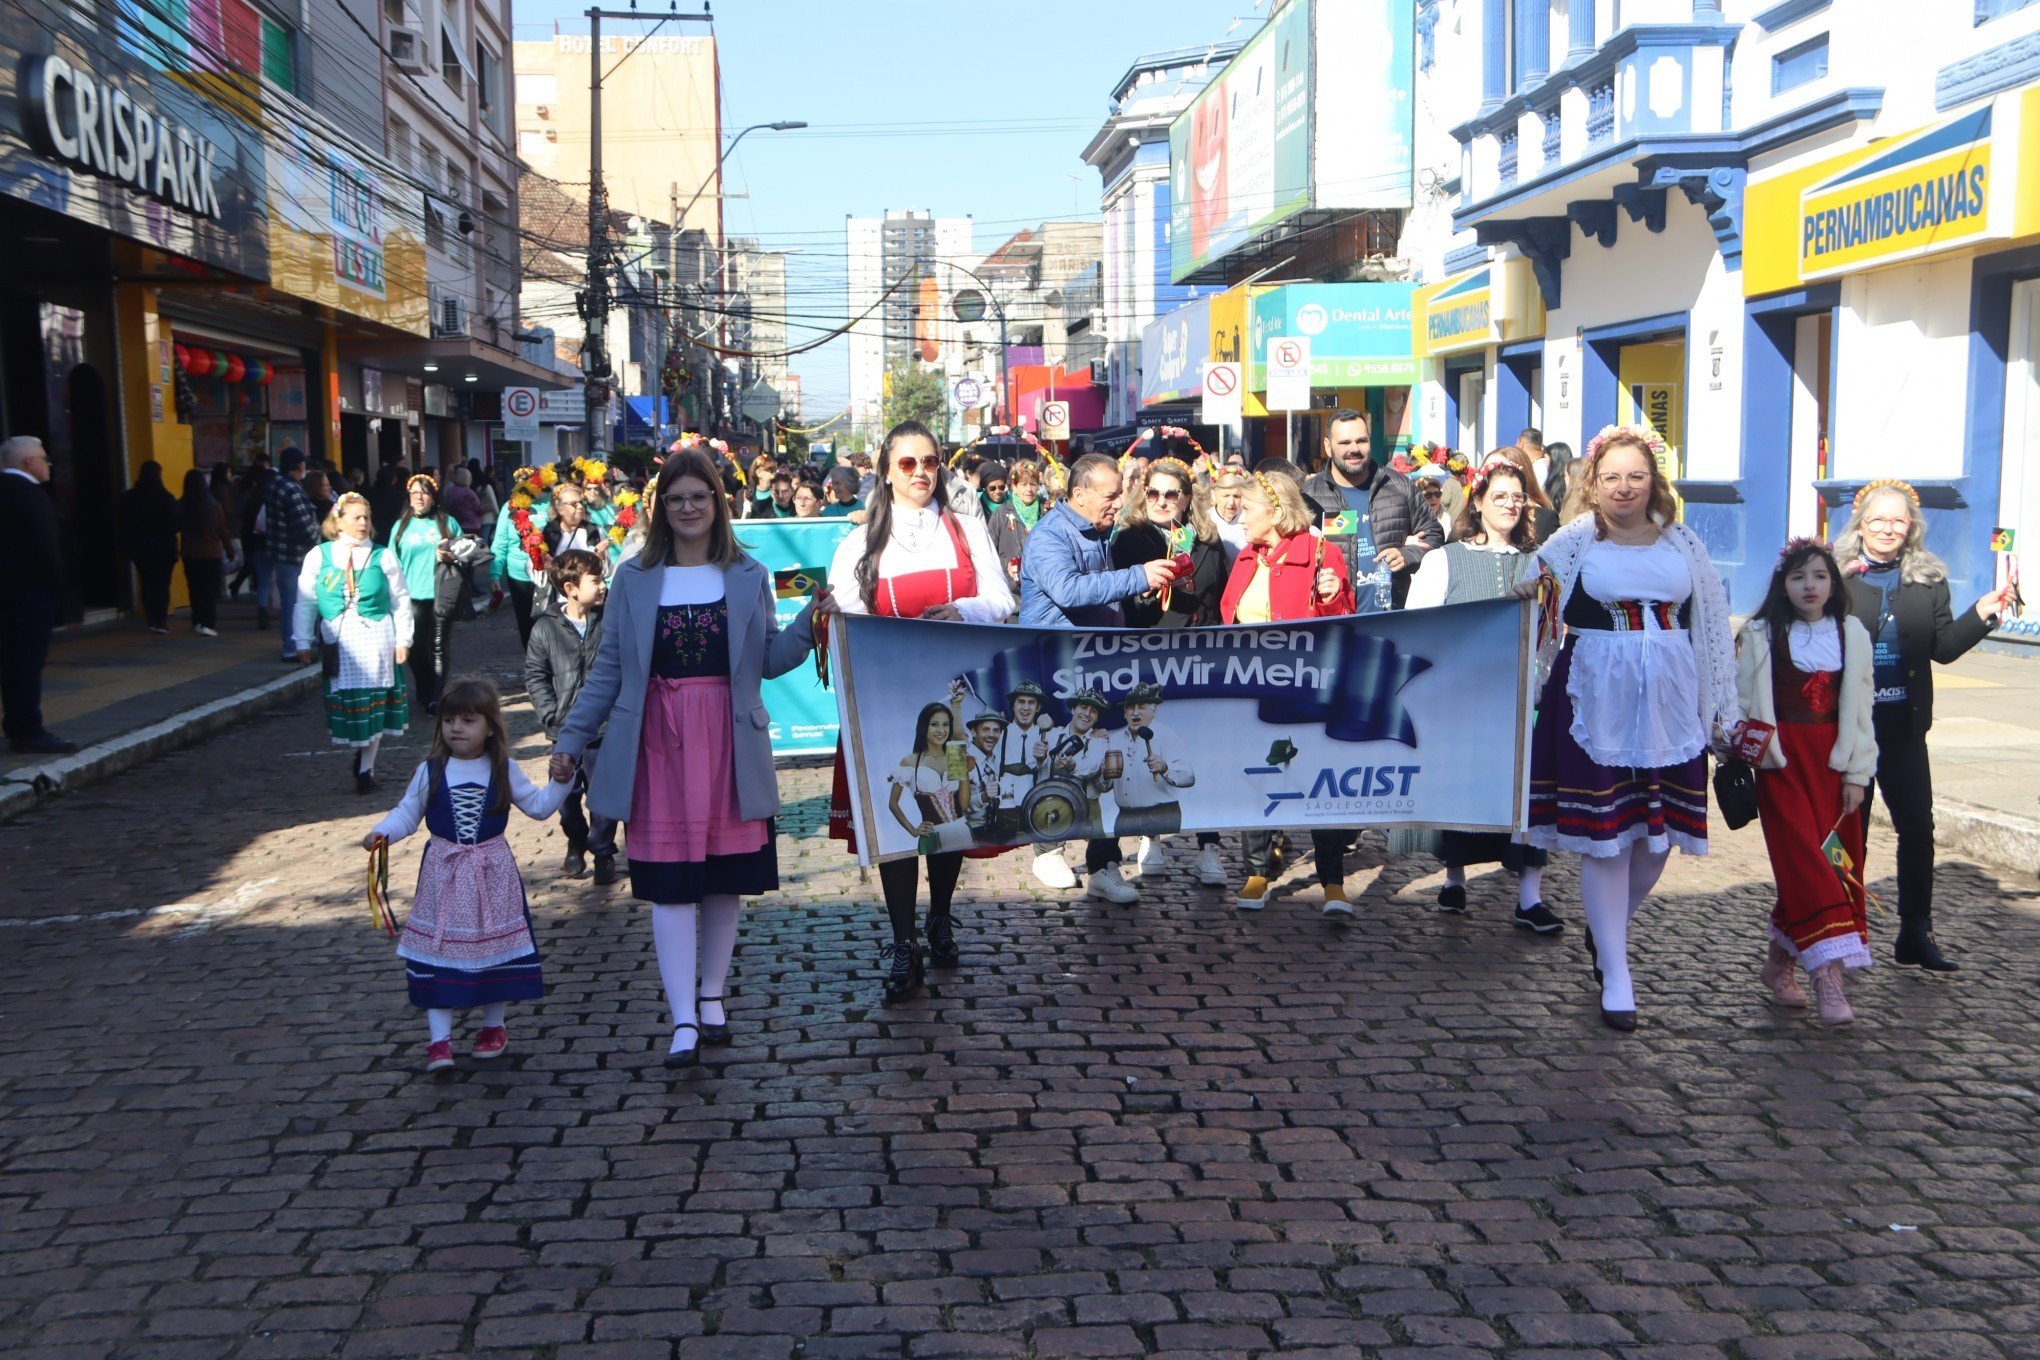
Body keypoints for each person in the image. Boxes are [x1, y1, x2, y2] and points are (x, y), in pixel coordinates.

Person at [551, 449, 824, 1067]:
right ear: (661, 508)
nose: (688, 508)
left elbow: (768, 661)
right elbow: (610, 672)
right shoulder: (633, 577)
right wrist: (570, 740)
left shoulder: (749, 575)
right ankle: (680, 1018)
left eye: (698, 496)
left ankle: (711, 996)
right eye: (675, 499)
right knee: (671, 885)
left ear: (717, 503)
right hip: (658, 745)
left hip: (729, 741)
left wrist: (812, 621)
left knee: (725, 879)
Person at [1514, 425, 1738, 1033]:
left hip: (1670, 698)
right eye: (1611, 476)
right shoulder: (1576, 542)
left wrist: (1722, 706)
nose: (1624, 486)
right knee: (1608, 837)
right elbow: (1524, 587)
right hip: (1595, 695)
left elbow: (1712, 625)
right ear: (1593, 482)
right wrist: (1568, 541)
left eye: (1635, 474)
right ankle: (1617, 971)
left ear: (1653, 480)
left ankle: (1605, 929)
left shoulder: (1683, 543)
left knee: (1656, 842)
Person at [824, 420, 1014, 1000]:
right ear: (885, 471)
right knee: (896, 822)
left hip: (947, 701)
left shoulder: (964, 527)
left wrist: (963, 611)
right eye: (907, 464)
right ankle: (903, 939)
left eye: (929, 462)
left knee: (949, 814)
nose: (921, 473)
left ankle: (940, 917)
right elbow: (843, 615)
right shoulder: (861, 543)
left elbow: (1004, 598)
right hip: (887, 700)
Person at [1836, 480, 2012, 971]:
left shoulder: (1928, 578)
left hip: (1904, 727)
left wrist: (1983, 614)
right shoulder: (1835, 576)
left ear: (1910, 526)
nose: (1888, 528)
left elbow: (1943, 648)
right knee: (1848, 832)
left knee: (1918, 829)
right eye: (1878, 519)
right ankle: (1843, 930)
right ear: (1861, 524)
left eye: (1898, 520)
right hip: (1849, 730)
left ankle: (1916, 932)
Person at [364, 677, 573, 1074]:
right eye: (448, 720)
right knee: (437, 952)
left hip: (492, 874)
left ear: (490, 726)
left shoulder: (504, 768)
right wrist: (382, 832)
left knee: (494, 952)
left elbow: (540, 807)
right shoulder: (430, 771)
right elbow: (408, 813)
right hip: (443, 875)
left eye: (468, 720)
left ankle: (493, 1028)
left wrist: (561, 783)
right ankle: (439, 1042)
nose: (456, 728)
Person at [1016, 452, 1177, 903]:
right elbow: (1068, 589)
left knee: (1107, 764)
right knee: (1061, 760)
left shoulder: (1100, 530)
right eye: (1108, 496)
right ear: (1079, 493)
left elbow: (1107, 596)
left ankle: (1104, 865)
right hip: (1058, 665)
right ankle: (1047, 846)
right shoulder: (1050, 534)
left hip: (1100, 664)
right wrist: (1135, 576)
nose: (1116, 504)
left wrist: (1145, 589)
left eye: (1118, 496)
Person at [1405, 459, 1557, 932]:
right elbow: (1418, 626)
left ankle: (1529, 897)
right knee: (1461, 789)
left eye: (1518, 497)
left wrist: (1545, 677)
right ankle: (1454, 877)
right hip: (1461, 697)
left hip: (1521, 697)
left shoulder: (1540, 562)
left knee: (1527, 794)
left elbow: (1553, 633)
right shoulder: (1443, 559)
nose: (1511, 505)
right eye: (1501, 496)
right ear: (1477, 501)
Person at [1736, 539, 1878, 1026]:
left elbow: (1861, 710)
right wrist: (1738, 741)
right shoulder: (1761, 633)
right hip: (1783, 767)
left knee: (1835, 864)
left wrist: (1858, 773)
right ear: (1783, 585)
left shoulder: (1852, 634)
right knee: (1806, 863)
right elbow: (1739, 700)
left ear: (1834, 582)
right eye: (1798, 577)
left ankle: (1778, 966)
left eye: (1819, 576)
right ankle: (1828, 978)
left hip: (1834, 767)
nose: (1810, 586)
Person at [1220, 469, 1357, 915]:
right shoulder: (1245, 558)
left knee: (1319, 780)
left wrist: (1334, 596)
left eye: (1248, 507)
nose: (1239, 515)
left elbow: (1344, 619)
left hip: (1308, 687)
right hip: (1252, 688)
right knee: (1258, 777)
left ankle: (1332, 881)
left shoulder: (1323, 552)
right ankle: (1257, 871)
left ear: (1276, 510)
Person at [1108, 456, 1230, 884]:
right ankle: (1151, 837)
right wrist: (1145, 590)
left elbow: (1219, 598)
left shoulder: (1208, 542)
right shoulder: (1131, 539)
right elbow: (1123, 599)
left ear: (1186, 498)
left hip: (1201, 659)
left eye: (1170, 494)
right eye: (1154, 493)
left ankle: (1209, 847)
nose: (1161, 501)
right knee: (1148, 750)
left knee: (1202, 750)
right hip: (1150, 656)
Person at [293, 492, 413, 794]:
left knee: (374, 704)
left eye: (366, 517)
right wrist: (303, 641)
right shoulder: (319, 556)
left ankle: (366, 767)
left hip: (377, 639)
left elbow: (400, 600)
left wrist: (403, 640)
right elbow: (305, 602)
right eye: (356, 517)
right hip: (340, 643)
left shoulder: (382, 555)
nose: (363, 523)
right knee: (351, 706)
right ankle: (362, 756)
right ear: (339, 521)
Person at [526, 549, 619, 885]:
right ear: (570, 588)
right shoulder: (545, 628)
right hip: (563, 730)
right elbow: (535, 675)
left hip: (605, 729)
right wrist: (550, 714)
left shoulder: (610, 621)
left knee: (604, 796)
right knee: (566, 797)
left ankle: (603, 851)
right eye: (595, 580)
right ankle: (577, 838)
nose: (603, 585)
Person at [1298, 408, 1442, 610]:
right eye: (1345, 443)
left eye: (1361, 441)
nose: (1354, 448)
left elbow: (1434, 536)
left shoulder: (1399, 486)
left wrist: (1408, 554)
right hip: (1337, 619)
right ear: (1328, 446)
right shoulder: (1309, 495)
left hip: (1391, 617)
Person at [0, 437, 75, 755]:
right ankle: (27, 729)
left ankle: (20, 725)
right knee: (27, 663)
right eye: (44, 459)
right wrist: (58, 591)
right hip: (30, 593)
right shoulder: (31, 497)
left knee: (11, 662)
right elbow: (46, 549)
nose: (48, 464)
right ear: (28, 463)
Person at [390, 474, 464, 715]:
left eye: (424, 493)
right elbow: (391, 563)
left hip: (442, 594)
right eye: (414, 493)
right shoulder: (400, 526)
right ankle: (425, 688)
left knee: (439, 646)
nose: (419, 497)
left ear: (433, 497)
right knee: (413, 648)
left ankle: (436, 696)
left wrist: (451, 555)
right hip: (410, 597)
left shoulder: (447, 523)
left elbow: (468, 552)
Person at [266, 448, 324, 662]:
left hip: (280, 554)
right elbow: (305, 530)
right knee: (300, 603)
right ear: (299, 466)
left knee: (289, 603)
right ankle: (298, 646)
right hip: (296, 555)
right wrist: (320, 537)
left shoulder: (274, 485)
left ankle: (292, 644)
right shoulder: (293, 489)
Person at [119, 460, 181, 634]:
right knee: (162, 584)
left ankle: (151, 618)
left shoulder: (129, 497)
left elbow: (124, 524)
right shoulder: (165, 497)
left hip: (141, 549)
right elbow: (176, 523)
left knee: (146, 583)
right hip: (164, 549)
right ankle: (160, 620)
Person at [489, 473, 550, 646]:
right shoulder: (509, 507)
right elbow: (500, 543)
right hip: (519, 576)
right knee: (527, 626)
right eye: (520, 484)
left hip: (547, 574)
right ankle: (534, 667)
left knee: (549, 624)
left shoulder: (552, 503)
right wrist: (494, 574)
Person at [178, 467, 233, 638]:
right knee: (209, 590)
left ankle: (197, 621)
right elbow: (222, 530)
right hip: (210, 554)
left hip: (189, 554)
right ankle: (208, 624)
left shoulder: (182, 505)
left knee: (194, 589)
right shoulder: (213, 505)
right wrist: (230, 549)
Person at [1210, 465, 1250, 562]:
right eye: (1226, 496)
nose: (1231, 502)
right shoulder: (1204, 519)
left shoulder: (1248, 520)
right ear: (1214, 495)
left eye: (1236, 496)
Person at [443, 465, 485, 535]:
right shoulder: (469, 493)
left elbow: (447, 506)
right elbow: (478, 510)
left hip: (455, 525)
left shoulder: (450, 492)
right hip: (472, 526)